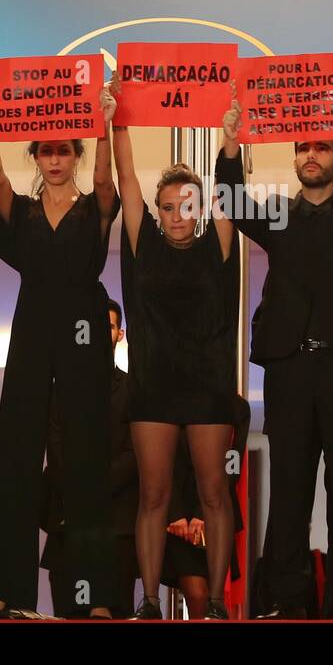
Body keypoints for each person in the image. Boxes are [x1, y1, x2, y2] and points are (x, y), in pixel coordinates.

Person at [216, 90, 333, 619]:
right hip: (290, 369)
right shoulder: (276, 216)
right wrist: (231, 142)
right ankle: (289, 604)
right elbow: (229, 198)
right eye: (303, 148)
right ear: (294, 157)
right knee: (290, 491)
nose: (311, 155)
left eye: (321, 148)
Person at [0, 88, 120, 619]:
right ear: (34, 156)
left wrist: (104, 125)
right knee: (15, 453)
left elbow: (107, 184)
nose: (55, 159)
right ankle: (3, 592)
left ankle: (96, 595)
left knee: (86, 458)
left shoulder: (95, 207)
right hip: (32, 323)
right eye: (46, 151)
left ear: (76, 155)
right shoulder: (25, 210)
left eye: (64, 150)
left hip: (84, 326)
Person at [111, 82, 240, 620]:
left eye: (188, 204)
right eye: (168, 206)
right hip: (153, 387)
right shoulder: (142, 244)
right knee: (153, 496)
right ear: (159, 212)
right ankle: (146, 602)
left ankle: (211, 603)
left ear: (201, 207)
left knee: (213, 495)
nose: (177, 213)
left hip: (209, 388)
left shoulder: (221, 244)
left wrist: (229, 143)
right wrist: (116, 121)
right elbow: (126, 180)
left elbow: (231, 187)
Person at [41, 299, 139, 619]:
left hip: (118, 525)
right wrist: (79, 488)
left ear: (119, 334)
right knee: (70, 613)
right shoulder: (61, 390)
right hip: (67, 525)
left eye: (108, 326)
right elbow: (54, 446)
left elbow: (136, 452)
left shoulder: (133, 389)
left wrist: (97, 487)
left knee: (116, 611)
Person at [161, 395, 252, 618]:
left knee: (215, 598)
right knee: (197, 594)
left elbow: (233, 464)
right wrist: (175, 514)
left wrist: (204, 515)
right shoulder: (168, 402)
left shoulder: (236, 406)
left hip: (216, 508)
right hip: (177, 508)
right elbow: (160, 462)